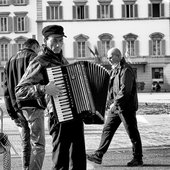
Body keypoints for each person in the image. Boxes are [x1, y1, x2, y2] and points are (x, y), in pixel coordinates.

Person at [15, 25, 86, 170]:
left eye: (61, 40)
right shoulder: (40, 61)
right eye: (55, 40)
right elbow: (20, 90)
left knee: (78, 158)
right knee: (61, 161)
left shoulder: (63, 60)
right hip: (58, 117)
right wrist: (44, 88)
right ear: (45, 40)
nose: (58, 44)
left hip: (74, 115)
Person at [87, 47, 143, 167]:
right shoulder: (114, 70)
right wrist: (108, 100)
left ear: (118, 56)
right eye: (108, 57)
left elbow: (125, 90)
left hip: (126, 108)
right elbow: (111, 89)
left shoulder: (126, 70)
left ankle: (138, 158)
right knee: (107, 130)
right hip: (115, 108)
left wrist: (115, 103)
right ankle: (98, 155)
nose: (109, 59)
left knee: (132, 133)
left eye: (111, 57)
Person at [3, 38, 44, 170]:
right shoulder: (34, 57)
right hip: (32, 103)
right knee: (37, 143)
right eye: (39, 48)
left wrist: (11, 112)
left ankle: (26, 168)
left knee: (25, 143)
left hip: (17, 107)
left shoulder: (10, 60)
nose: (39, 51)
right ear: (34, 46)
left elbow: (6, 88)